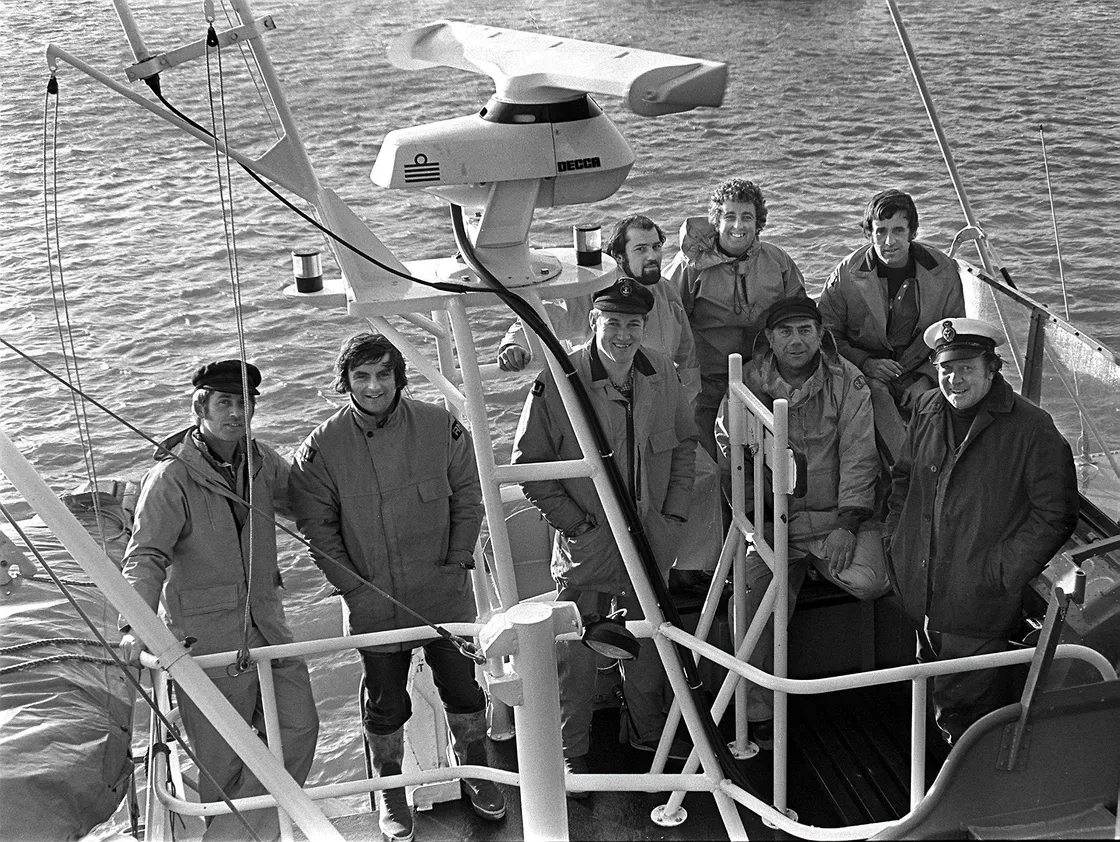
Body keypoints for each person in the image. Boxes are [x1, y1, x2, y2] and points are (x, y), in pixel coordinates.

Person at [287, 333, 504, 842]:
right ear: (345, 382)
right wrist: (355, 590)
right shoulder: (321, 448)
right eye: (361, 376)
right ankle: (389, 789)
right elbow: (318, 532)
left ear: (399, 377)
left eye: (384, 374)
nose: (373, 386)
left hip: (445, 592)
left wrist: (457, 561)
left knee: (465, 690)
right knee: (385, 705)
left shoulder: (440, 426)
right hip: (373, 606)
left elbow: (468, 495)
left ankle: (474, 767)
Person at [118, 359, 319, 842]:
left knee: (298, 728)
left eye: (245, 402)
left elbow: (309, 505)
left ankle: (234, 838)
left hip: (268, 626)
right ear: (200, 407)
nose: (236, 412)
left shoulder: (263, 461)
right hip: (205, 641)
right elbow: (145, 557)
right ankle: (246, 836)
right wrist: (134, 627)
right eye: (225, 402)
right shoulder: (170, 479)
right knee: (221, 765)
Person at [510, 279, 698, 793]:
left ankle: (648, 733)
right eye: (611, 322)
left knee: (651, 639)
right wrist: (580, 527)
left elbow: (683, 447)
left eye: (633, 324)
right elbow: (529, 465)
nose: (622, 334)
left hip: (651, 540)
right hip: (588, 547)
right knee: (575, 653)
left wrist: (674, 517)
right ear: (593, 321)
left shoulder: (661, 370)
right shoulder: (560, 376)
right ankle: (574, 753)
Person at [885, 317, 1079, 745]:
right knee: (933, 688)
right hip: (921, 592)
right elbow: (903, 480)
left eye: (967, 368)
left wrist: (998, 572)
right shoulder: (928, 408)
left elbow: (1057, 513)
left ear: (993, 369)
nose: (954, 380)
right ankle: (938, 782)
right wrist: (896, 543)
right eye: (946, 369)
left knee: (967, 715)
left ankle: (964, 798)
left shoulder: (1032, 429)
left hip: (978, 606)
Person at [718, 298, 889, 748]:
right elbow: (730, 454)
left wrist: (849, 523)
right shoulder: (746, 384)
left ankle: (816, 567)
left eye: (806, 331)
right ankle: (760, 715)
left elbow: (859, 455)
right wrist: (759, 522)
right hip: (775, 522)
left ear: (819, 334)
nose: (797, 341)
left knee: (873, 581)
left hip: (835, 520)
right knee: (751, 602)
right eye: (786, 332)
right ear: (770, 339)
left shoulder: (847, 381)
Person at [818, 189, 965, 464]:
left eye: (898, 231)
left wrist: (927, 379)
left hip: (921, 369)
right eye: (880, 231)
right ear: (869, 233)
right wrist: (866, 362)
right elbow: (825, 334)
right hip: (864, 372)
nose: (889, 241)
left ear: (913, 232)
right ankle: (906, 473)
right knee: (874, 393)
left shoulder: (943, 271)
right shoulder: (846, 274)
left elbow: (952, 336)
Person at [666, 177, 807, 459]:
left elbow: (802, 319)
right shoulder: (690, 267)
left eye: (747, 217)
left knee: (767, 456)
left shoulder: (778, 261)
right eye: (729, 216)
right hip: (708, 379)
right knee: (705, 459)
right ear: (717, 221)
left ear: (759, 223)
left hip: (763, 375)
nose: (738, 226)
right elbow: (667, 320)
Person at [495, 213, 700, 404]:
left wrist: (683, 403)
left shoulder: (667, 291)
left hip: (660, 409)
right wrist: (513, 345)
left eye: (656, 247)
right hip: (604, 410)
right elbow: (546, 316)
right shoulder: (594, 293)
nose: (652, 256)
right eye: (641, 249)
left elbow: (687, 356)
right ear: (619, 257)